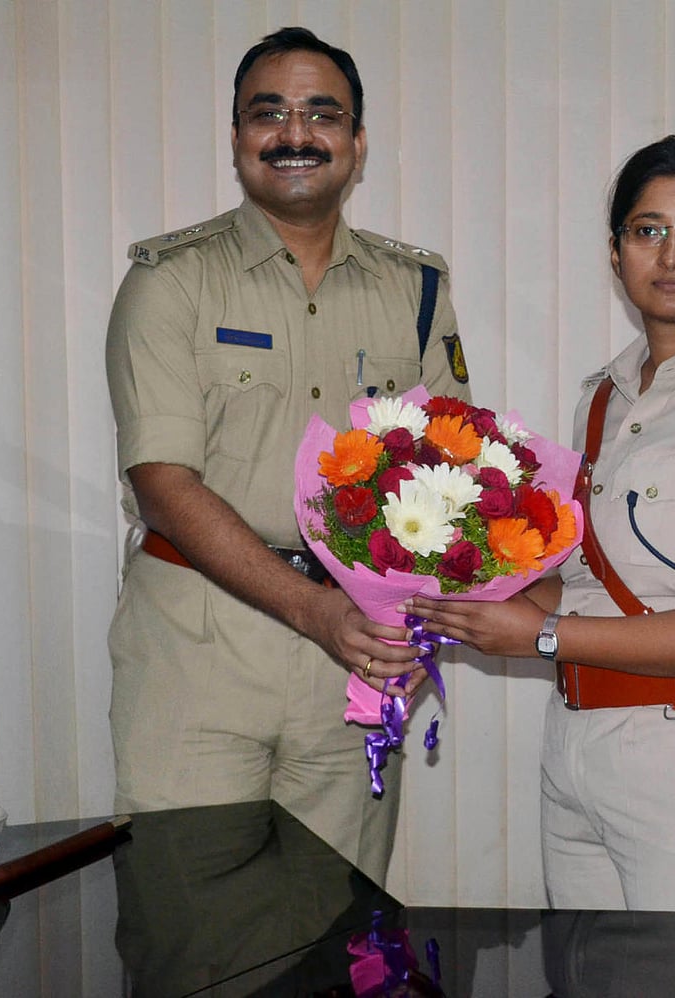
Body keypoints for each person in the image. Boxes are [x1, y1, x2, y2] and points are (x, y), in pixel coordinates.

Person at [405, 134, 675, 912]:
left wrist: (537, 637)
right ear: (616, 254)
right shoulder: (601, 398)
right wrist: (446, 591)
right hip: (576, 749)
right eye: (648, 230)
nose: (672, 255)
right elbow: (581, 589)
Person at [105, 26, 472, 883]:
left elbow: (448, 479)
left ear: (358, 141)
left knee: (334, 938)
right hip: (197, 657)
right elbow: (162, 483)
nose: (296, 135)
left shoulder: (415, 289)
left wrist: (409, 629)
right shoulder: (171, 281)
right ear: (237, 138)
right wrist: (314, 616)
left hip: (352, 661)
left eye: (322, 114)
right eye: (268, 114)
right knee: (188, 935)